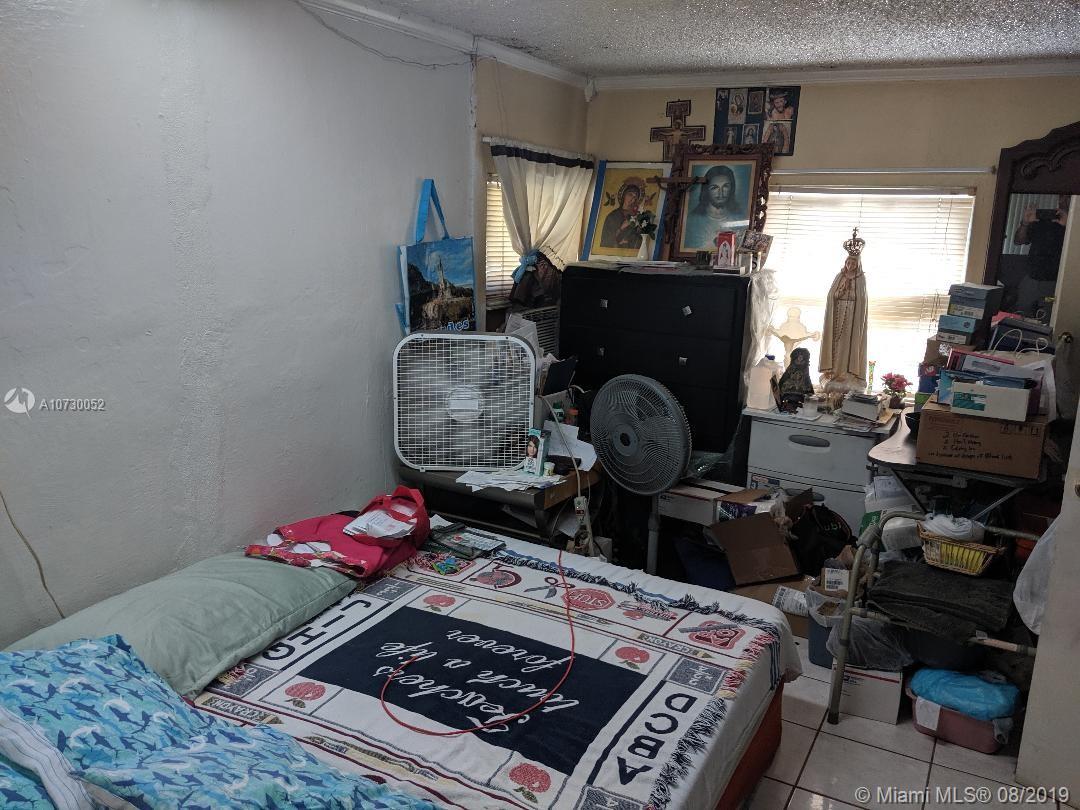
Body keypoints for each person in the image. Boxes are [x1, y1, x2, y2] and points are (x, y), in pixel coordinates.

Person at [1012, 196, 1069, 317]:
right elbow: (1018, 241)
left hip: (1054, 283)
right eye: (1062, 197)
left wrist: (1068, 226)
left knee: (1048, 315)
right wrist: (1025, 223)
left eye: (1068, 197)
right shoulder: (1042, 222)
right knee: (1021, 313)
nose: (1063, 201)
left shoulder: (1073, 226)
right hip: (1031, 279)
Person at [682, 165, 749, 250]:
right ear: (706, 190)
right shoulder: (692, 220)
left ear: (732, 188)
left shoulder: (741, 219)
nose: (720, 193)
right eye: (714, 187)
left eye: (725, 186)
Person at [599, 178, 644, 250]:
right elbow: (606, 240)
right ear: (623, 195)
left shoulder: (637, 217)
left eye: (635, 197)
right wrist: (621, 228)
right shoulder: (612, 216)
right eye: (630, 195)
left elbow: (639, 240)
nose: (632, 199)